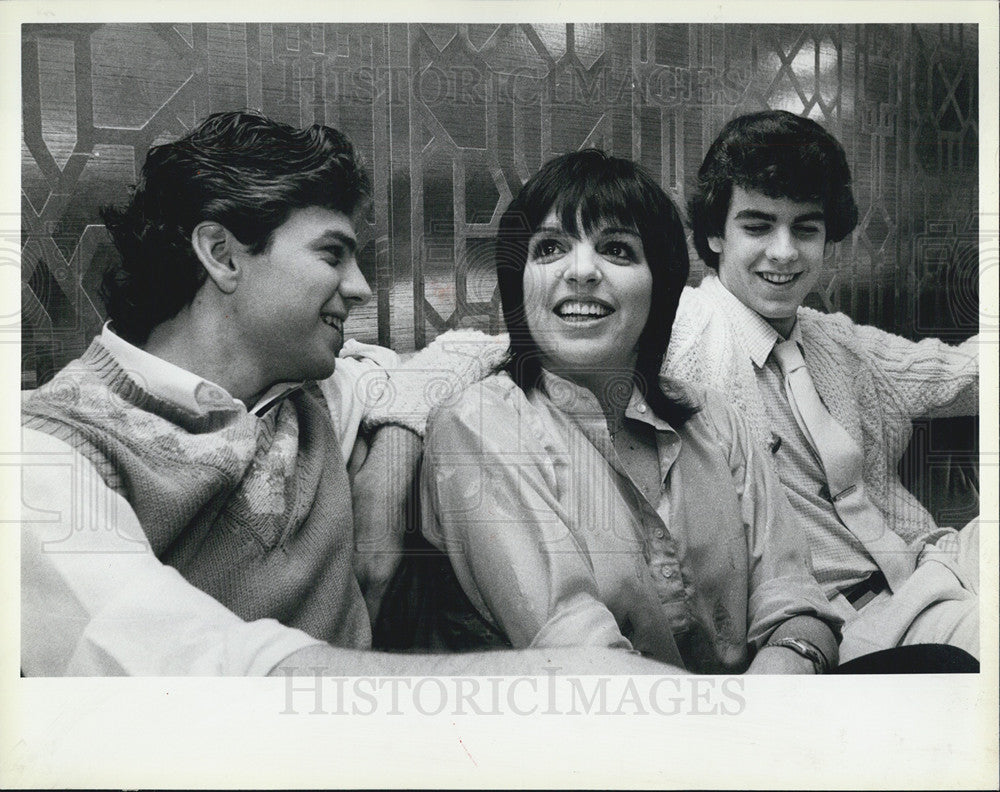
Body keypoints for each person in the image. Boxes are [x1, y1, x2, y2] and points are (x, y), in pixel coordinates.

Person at [20, 110, 675, 677]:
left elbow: (466, 351)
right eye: (333, 255)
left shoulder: (316, 391)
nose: (361, 287)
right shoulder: (46, 461)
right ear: (222, 255)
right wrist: (562, 681)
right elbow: (193, 672)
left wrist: (393, 444)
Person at [419, 150, 843, 674]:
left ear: (659, 286)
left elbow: (795, 599)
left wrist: (782, 671)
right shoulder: (480, 425)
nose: (580, 272)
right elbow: (580, 655)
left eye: (617, 250)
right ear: (518, 283)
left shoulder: (713, 420)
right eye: (549, 248)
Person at [664, 109, 979, 665]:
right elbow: (514, 355)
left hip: (929, 565)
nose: (784, 251)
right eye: (757, 226)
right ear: (715, 234)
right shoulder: (677, 334)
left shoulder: (834, 339)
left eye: (805, 228)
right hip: (844, 622)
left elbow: (963, 375)